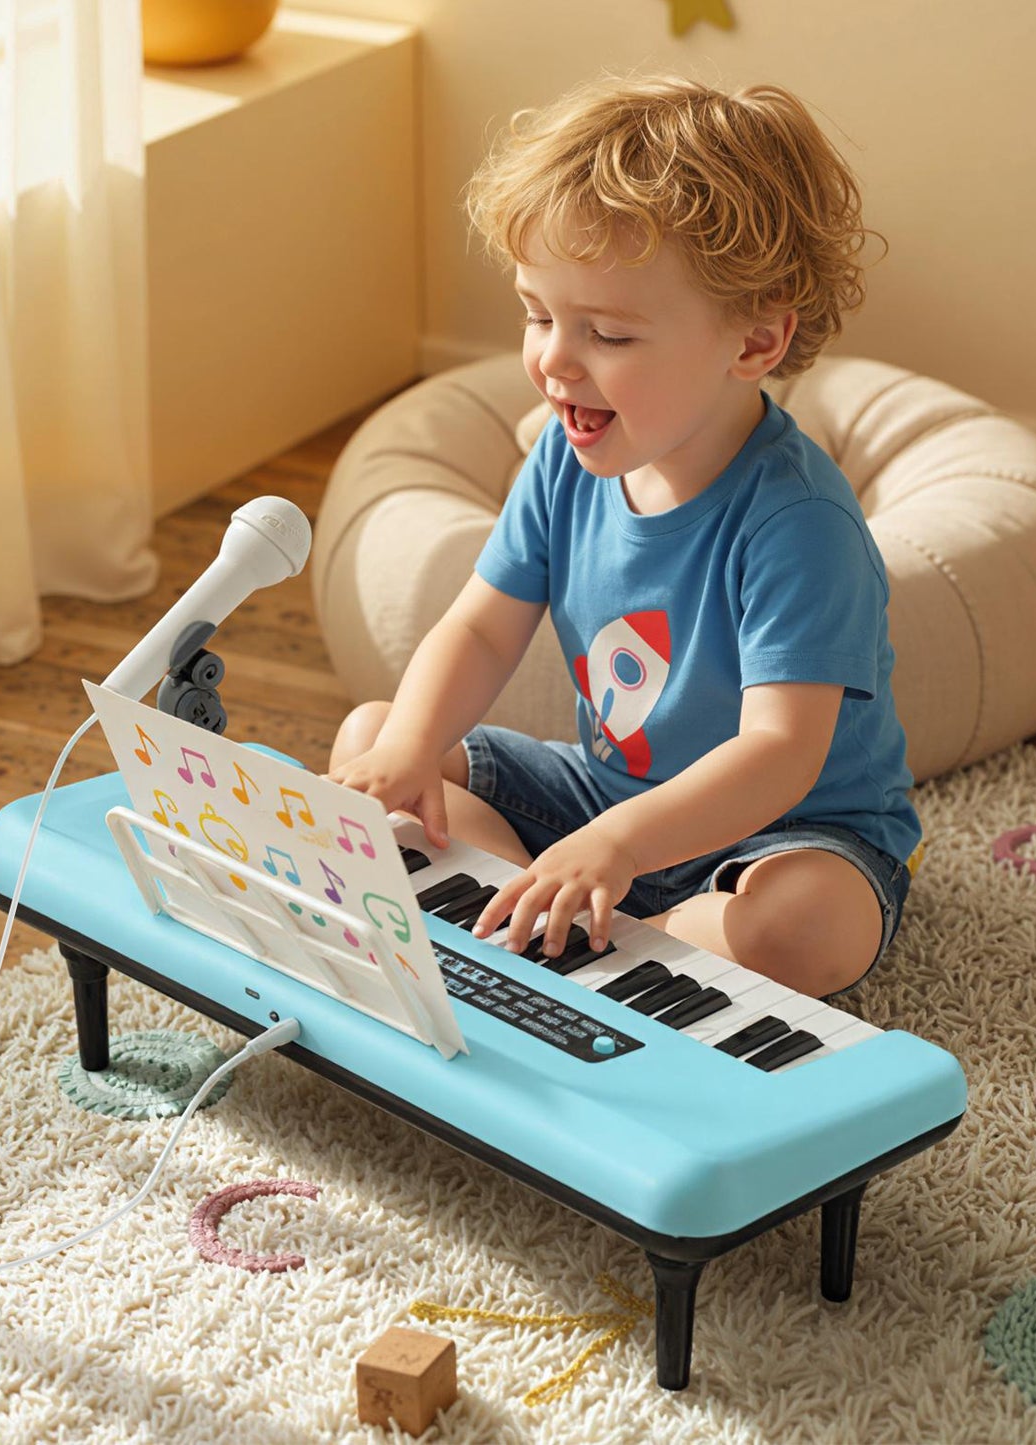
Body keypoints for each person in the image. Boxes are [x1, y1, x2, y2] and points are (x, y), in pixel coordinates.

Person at [328, 75, 920, 1000]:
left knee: (809, 924)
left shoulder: (798, 522)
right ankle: (541, 927)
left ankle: (606, 933)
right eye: (537, 314)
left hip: (787, 831)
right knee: (376, 738)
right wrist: (409, 749)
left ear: (755, 343)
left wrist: (616, 847)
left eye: (605, 332)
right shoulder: (569, 457)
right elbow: (481, 630)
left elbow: (779, 753)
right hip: (601, 799)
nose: (555, 361)